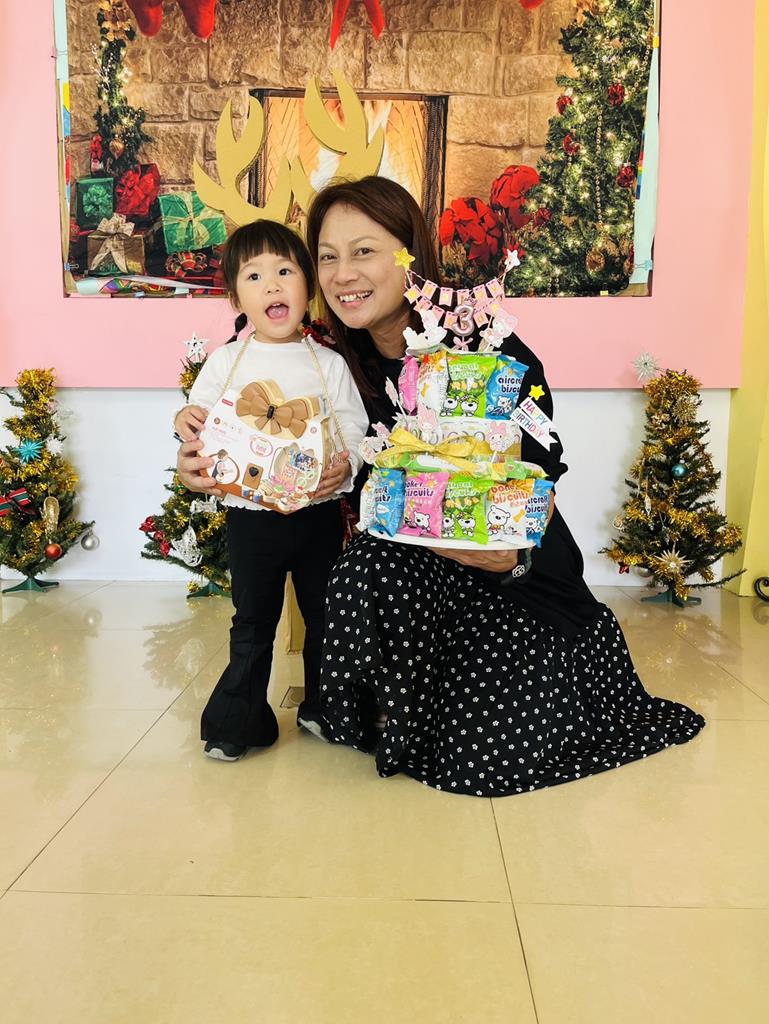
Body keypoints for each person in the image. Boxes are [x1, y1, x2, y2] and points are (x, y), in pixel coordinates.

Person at [177, 177, 704, 795]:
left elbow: (540, 474)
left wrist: (508, 551)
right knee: (362, 571)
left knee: (486, 747)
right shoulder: (331, 359)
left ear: (412, 256)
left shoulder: (488, 350)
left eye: (364, 251)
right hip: (419, 581)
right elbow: (264, 416)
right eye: (327, 256)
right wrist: (209, 458)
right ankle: (380, 704)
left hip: (514, 576)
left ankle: (460, 697)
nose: (343, 274)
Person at [174, 219, 368, 761]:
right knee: (252, 619)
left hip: (317, 514)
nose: (273, 285)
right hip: (250, 515)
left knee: (324, 615)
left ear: (308, 287)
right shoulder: (225, 362)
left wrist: (346, 465)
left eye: (285, 271)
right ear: (237, 298)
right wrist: (185, 419)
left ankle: (323, 707)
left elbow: (354, 429)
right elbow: (197, 418)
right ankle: (240, 720)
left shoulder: (328, 364)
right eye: (255, 276)